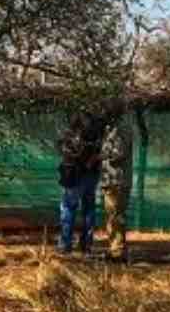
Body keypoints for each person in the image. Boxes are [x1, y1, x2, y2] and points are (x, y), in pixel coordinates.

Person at [55, 111, 104, 254]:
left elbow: (62, 149)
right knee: (88, 210)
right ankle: (86, 244)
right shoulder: (97, 134)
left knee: (68, 208)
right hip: (92, 175)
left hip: (75, 177)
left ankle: (65, 244)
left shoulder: (70, 136)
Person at [98, 114, 133, 262]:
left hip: (116, 180)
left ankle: (117, 252)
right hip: (111, 180)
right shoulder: (111, 129)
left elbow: (118, 154)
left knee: (116, 216)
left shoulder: (120, 130)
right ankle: (114, 250)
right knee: (113, 217)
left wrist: (100, 155)